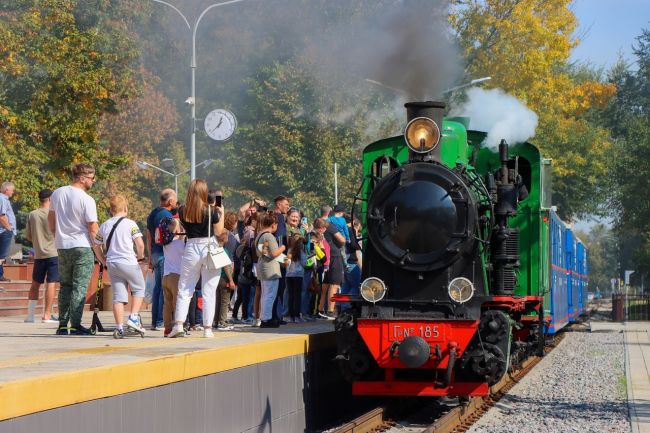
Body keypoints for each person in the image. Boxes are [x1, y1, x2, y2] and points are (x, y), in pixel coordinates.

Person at [168, 180, 224, 338]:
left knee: (185, 287)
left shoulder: (183, 210)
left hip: (191, 247)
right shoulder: (211, 211)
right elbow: (219, 232)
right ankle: (207, 328)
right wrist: (220, 211)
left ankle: (179, 324)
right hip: (209, 247)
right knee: (209, 290)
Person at [49, 163, 99, 335]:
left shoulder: (57, 193)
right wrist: (101, 249)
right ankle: (76, 324)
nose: (93, 181)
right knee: (79, 286)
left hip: (62, 246)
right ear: (82, 178)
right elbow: (93, 229)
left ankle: (63, 324)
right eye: (92, 178)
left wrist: (59, 235)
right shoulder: (87, 199)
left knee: (65, 285)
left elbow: (51, 220)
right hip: (82, 246)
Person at [92, 195, 147, 337]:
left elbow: (96, 245)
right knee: (139, 288)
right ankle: (134, 317)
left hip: (112, 263)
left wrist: (103, 260)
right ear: (125, 208)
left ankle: (119, 327)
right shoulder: (130, 224)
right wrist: (140, 257)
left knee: (118, 296)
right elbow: (140, 244)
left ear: (111, 210)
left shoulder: (104, 225)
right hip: (128, 261)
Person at [24, 189, 59, 323]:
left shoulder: (32, 214)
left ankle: (30, 316)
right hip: (53, 253)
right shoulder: (55, 214)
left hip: (39, 254)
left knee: (35, 283)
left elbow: (28, 235)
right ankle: (47, 315)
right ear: (50, 199)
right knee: (51, 283)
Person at [146, 188, 177, 330]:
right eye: (175, 199)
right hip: (165, 254)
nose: (176, 202)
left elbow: (149, 236)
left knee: (157, 288)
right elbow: (172, 237)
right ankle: (160, 321)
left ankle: (155, 321)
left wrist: (150, 254)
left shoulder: (153, 213)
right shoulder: (168, 216)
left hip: (155, 253)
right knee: (166, 288)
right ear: (170, 201)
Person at [255, 211, 285, 328]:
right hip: (271, 270)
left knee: (265, 295)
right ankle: (267, 319)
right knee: (270, 295)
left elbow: (264, 252)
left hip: (263, 268)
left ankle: (264, 318)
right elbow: (273, 253)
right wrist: (282, 247)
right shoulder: (269, 236)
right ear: (273, 224)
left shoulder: (259, 235)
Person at [314, 217, 345, 319]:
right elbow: (342, 240)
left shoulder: (319, 233)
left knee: (326, 285)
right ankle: (330, 311)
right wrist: (341, 243)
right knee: (334, 284)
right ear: (322, 227)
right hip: (335, 257)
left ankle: (320, 310)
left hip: (325, 259)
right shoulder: (331, 228)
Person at [162, 218, 184, 337]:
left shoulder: (165, 244)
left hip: (165, 276)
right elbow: (183, 247)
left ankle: (167, 328)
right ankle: (178, 326)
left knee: (167, 304)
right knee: (177, 303)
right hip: (175, 276)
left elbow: (177, 240)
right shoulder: (180, 244)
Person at [272, 195, 290, 324]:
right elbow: (280, 239)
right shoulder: (279, 217)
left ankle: (277, 316)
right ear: (279, 204)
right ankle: (275, 316)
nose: (287, 207)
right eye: (286, 204)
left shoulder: (277, 217)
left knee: (278, 288)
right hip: (279, 257)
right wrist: (282, 258)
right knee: (278, 288)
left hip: (277, 256)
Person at [214, 231, 235, 330]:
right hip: (224, 278)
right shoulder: (224, 250)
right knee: (224, 301)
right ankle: (222, 322)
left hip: (217, 278)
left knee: (218, 300)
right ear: (224, 238)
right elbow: (226, 266)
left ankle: (216, 321)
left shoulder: (216, 249)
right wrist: (231, 280)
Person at [286, 233, 306, 323]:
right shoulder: (301, 252)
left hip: (289, 275)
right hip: (298, 275)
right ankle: (297, 316)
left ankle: (290, 316)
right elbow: (304, 263)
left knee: (291, 296)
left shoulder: (289, 250)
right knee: (297, 296)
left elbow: (287, 262)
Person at [0, 181, 17, 282]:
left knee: (1, 255)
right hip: (4, 231)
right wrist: (9, 228)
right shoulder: (2, 199)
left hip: (4, 231)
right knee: (2, 255)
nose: (13, 192)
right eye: (12, 190)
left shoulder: (3, 199)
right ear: (7, 190)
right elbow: (2, 216)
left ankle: (0, 275)